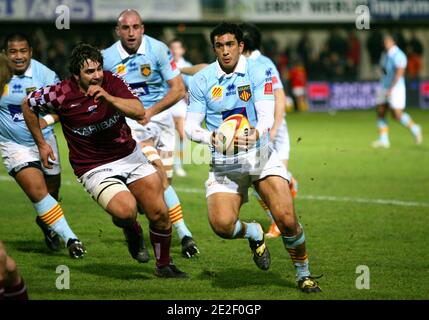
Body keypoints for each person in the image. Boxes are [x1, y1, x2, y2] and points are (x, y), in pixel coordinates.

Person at [22, 43, 187, 278]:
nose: (97, 75)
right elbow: (28, 105)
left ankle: (164, 266)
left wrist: (109, 98)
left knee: (160, 212)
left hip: (129, 155)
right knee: (125, 212)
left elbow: (139, 111)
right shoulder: (60, 92)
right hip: (93, 167)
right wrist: (41, 143)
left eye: (99, 69)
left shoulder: (112, 82)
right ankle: (132, 230)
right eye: (89, 72)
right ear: (76, 74)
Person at [185, 22, 321, 293]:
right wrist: (207, 138)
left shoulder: (258, 71)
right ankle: (254, 233)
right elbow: (190, 126)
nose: (225, 51)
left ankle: (303, 274)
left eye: (230, 45)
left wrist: (256, 132)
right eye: (220, 46)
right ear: (214, 48)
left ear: (241, 46)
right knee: (222, 226)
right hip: (224, 162)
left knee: (286, 217)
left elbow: (267, 115)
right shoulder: (202, 80)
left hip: (258, 155)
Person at [102, 9, 199, 259]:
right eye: (126, 28)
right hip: (131, 124)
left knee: (160, 185)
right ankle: (185, 234)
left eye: (136, 27)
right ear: (118, 30)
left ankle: (136, 226)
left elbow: (177, 89)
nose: (131, 32)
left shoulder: (158, 50)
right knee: (159, 179)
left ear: (142, 28)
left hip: (161, 119)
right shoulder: (107, 58)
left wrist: (151, 111)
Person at [0, 35, 85, 258]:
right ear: (6, 53)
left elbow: (63, 107)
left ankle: (46, 222)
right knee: (38, 192)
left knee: (52, 193)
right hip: (14, 145)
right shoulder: (1, 76)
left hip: (45, 141)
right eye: (13, 51)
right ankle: (72, 240)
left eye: (23, 51)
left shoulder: (46, 75)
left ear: (31, 52)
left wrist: (45, 121)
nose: (18, 56)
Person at [239, 22, 298, 238]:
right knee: (274, 180)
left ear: (242, 44)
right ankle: (289, 184)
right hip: (266, 126)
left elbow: (279, 95)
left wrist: (274, 128)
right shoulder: (251, 62)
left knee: (261, 181)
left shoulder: (260, 64)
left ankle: (277, 223)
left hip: (268, 127)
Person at [372, 33, 423, 148]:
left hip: (396, 88)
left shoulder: (398, 55)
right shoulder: (385, 54)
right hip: (384, 86)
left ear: (393, 42)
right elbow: (384, 70)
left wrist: (392, 87)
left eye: (387, 41)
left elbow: (399, 73)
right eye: (384, 41)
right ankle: (384, 140)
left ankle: (415, 129)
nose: (385, 43)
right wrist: (379, 73)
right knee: (380, 111)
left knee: (396, 115)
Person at [168, 38, 192, 177]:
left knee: (183, 135)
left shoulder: (187, 66)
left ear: (182, 50)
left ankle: (178, 165)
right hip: (168, 105)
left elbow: (192, 87)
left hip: (181, 106)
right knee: (168, 137)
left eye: (177, 48)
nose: (175, 51)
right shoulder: (166, 65)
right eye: (172, 48)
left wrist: (186, 94)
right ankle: (168, 164)